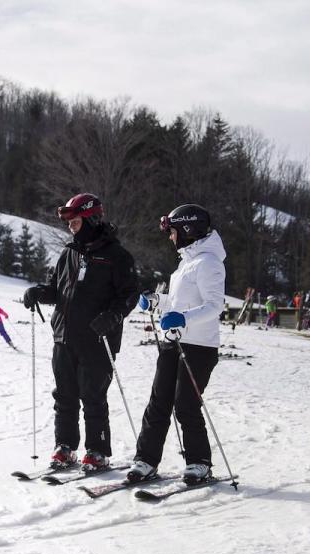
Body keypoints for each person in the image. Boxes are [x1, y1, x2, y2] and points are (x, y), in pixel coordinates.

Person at [22, 193, 139, 471]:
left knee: (92, 396)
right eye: (69, 223)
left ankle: (97, 451)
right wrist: (39, 292)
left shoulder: (116, 256)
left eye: (74, 222)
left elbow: (130, 294)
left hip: (97, 341)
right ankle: (64, 447)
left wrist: (111, 317)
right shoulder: (69, 253)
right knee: (64, 395)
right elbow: (56, 289)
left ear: (90, 219)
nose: (70, 227)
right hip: (64, 337)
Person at [129, 204, 226, 485]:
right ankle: (146, 460)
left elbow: (213, 306)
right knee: (158, 401)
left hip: (199, 346)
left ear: (186, 230)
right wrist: (158, 302)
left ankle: (199, 463)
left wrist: (182, 318)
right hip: (174, 342)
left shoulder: (209, 262)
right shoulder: (188, 262)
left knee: (185, 405)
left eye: (172, 231)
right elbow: (180, 301)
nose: (170, 238)